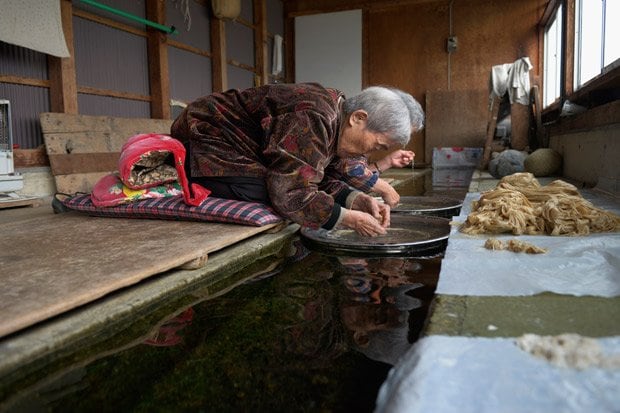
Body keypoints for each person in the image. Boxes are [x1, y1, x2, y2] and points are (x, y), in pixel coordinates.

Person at [170, 82, 424, 236]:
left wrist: (355, 200)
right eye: (377, 144)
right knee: (269, 189)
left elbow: (317, 173)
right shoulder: (313, 116)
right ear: (358, 118)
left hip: (239, 146)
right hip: (205, 137)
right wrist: (347, 218)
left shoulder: (337, 118)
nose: (371, 153)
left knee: (297, 184)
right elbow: (289, 191)